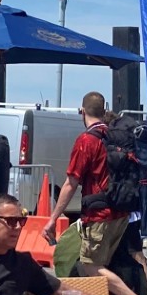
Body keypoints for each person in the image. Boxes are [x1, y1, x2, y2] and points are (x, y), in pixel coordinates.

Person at [44, 92, 126, 272]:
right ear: (104, 111)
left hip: (99, 214)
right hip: (121, 211)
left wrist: (53, 219)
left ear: (82, 111)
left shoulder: (86, 140)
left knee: (90, 266)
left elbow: (71, 183)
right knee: (109, 266)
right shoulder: (114, 135)